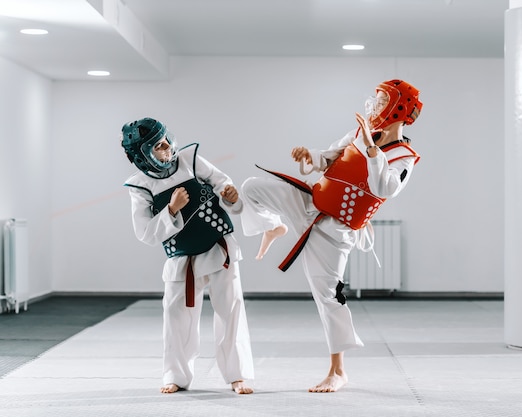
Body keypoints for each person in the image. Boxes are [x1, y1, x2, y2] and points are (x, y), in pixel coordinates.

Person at [239, 79, 422, 392]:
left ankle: (338, 371)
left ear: (398, 109)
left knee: (328, 297)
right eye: (375, 100)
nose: (374, 107)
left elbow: (385, 188)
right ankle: (273, 226)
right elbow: (329, 157)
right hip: (310, 202)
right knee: (251, 188)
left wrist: (371, 147)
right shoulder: (357, 133)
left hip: (335, 230)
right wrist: (309, 157)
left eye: (381, 102)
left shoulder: (404, 157)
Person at [121, 117, 254, 395]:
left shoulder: (189, 161)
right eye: (158, 145)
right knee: (175, 316)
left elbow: (221, 182)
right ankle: (175, 375)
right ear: (143, 156)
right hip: (182, 257)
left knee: (230, 309)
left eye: (166, 139)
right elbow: (145, 232)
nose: (168, 147)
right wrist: (171, 210)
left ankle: (236, 375)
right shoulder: (141, 186)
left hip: (218, 247)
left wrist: (229, 195)